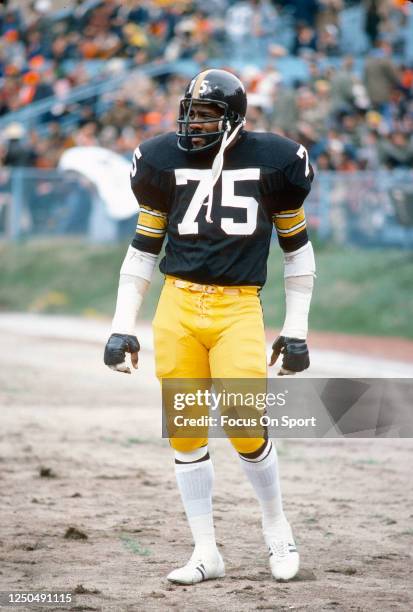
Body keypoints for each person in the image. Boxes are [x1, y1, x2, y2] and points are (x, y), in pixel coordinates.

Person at [104, 69, 316, 585]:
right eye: (191, 112)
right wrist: (120, 326)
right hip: (177, 306)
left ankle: (276, 527)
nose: (193, 124)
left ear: (236, 119)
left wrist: (296, 330)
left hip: (237, 307)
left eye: (206, 115)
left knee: (246, 423)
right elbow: (143, 247)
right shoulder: (161, 159)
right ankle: (206, 551)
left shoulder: (277, 161)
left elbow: (298, 251)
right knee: (185, 431)